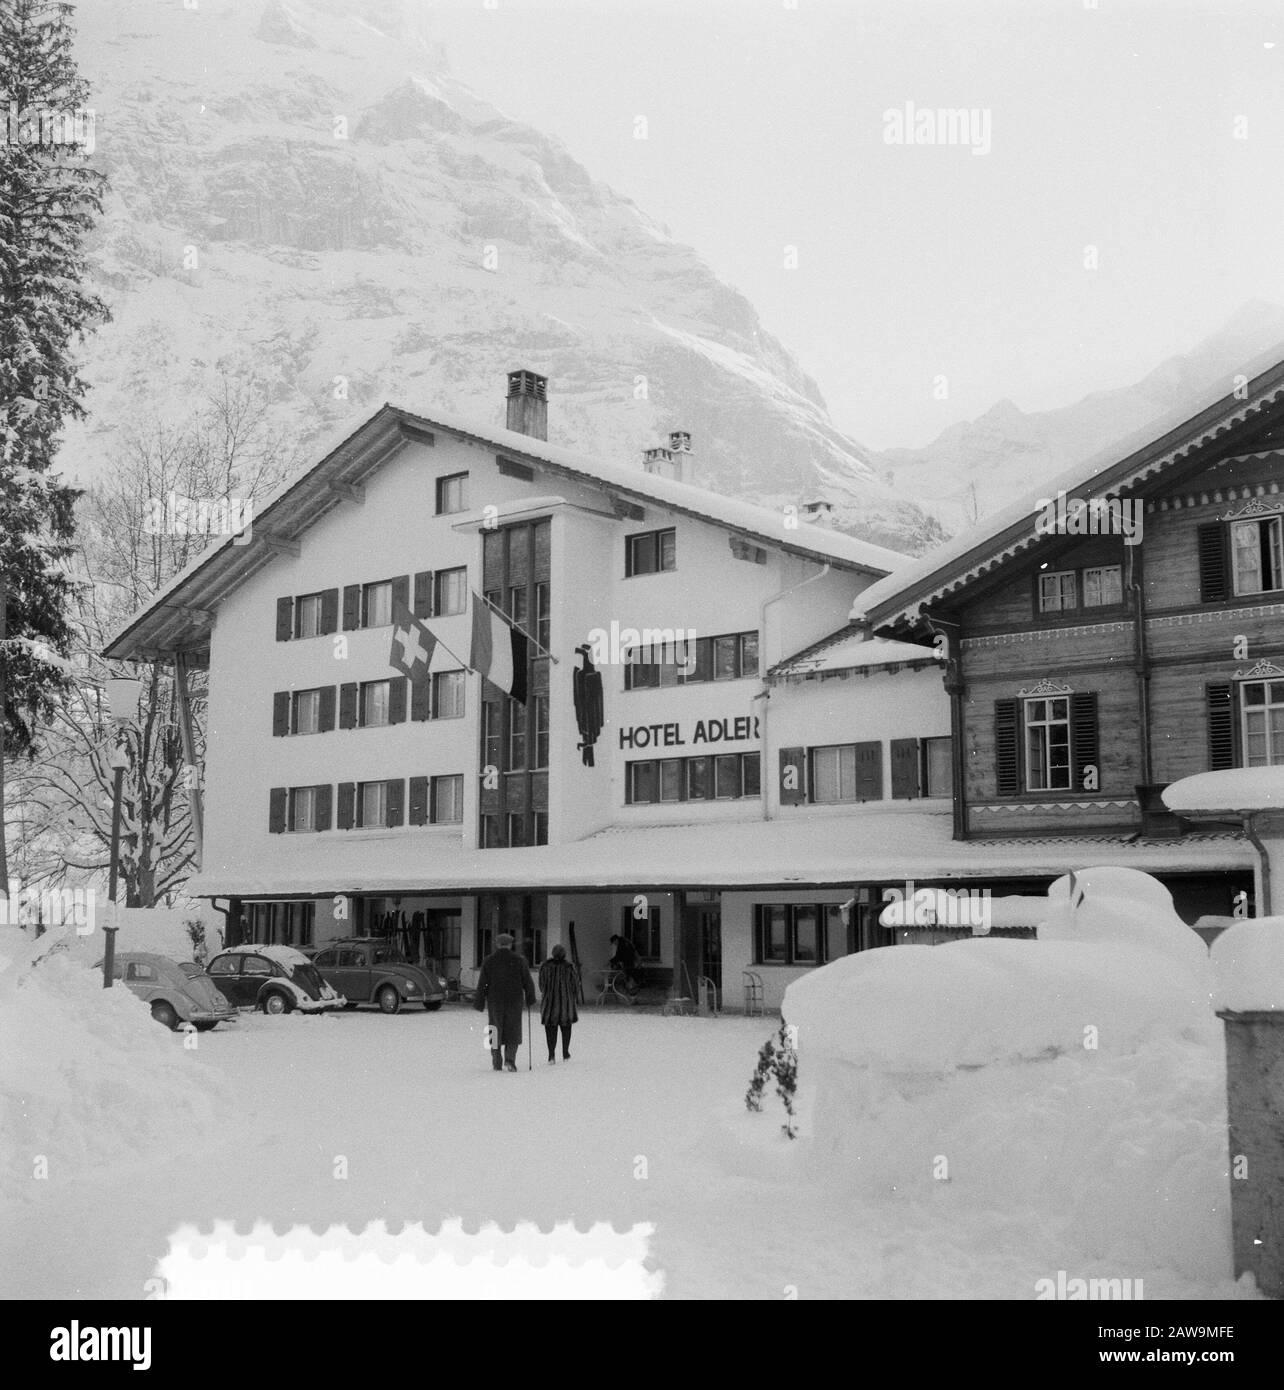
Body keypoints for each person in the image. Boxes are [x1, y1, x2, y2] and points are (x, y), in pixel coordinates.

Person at [473, 933, 536, 1072]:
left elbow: (483, 983)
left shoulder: (489, 961)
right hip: (514, 1000)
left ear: (497, 944)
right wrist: (530, 998)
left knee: (495, 1028)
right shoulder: (520, 960)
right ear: (510, 944)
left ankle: (496, 1060)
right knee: (513, 1029)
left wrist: (479, 1001)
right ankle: (510, 1060)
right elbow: (527, 981)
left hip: (495, 1000)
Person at [538, 944, 579, 1063]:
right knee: (566, 1028)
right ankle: (565, 1053)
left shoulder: (545, 967)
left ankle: (551, 1055)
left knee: (550, 1029)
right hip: (566, 1004)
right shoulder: (569, 967)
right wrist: (572, 996)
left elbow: (541, 985)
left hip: (549, 1004)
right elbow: (575, 985)